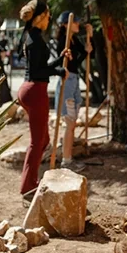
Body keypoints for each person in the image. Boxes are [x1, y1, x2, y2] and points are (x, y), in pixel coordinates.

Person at [18, 0, 70, 199]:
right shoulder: (35, 39)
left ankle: (31, 182)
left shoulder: (32, 36)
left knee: (43, 140)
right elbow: (40, 70)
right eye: (48, 15)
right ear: (40, 18)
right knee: (37, 142)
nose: (50, 19)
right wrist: (58, 70)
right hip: (35, 90)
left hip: (32, 89)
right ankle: (27, 187)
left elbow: (40, 65)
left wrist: (59, 60)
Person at [54, 11, 94, 172]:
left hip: (74, 79)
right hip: (67, 81)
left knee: (72, 122)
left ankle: (68, 158)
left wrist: (89, 39)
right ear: (66, 25)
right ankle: (66, 160)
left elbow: (84, 57)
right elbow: (69, 65)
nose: (78, 24)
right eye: (76, 22)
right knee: (69, 122)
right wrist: (85, 51)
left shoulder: (74, 40)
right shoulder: (63, 42)